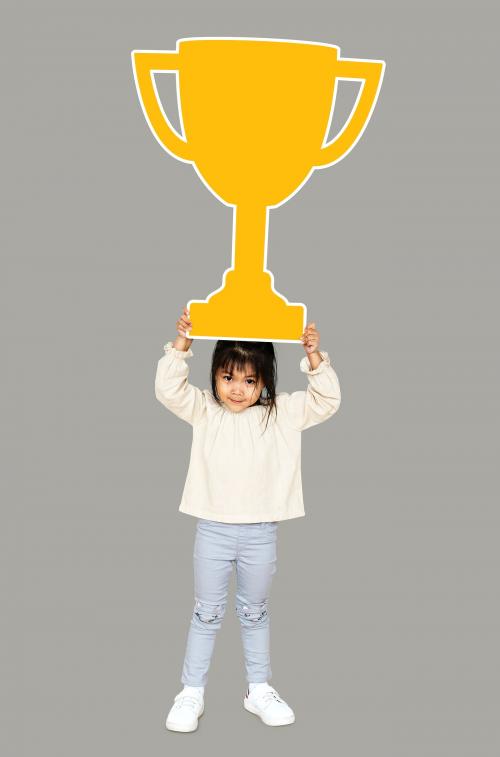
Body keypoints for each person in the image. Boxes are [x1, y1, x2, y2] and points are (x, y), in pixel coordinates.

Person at [155, 306, 341, 731]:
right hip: (213, 531)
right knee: (206, 611)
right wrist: (183, 343)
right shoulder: (204, 410)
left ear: (265, 381)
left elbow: (328, 400)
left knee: (255, 611)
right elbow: (168, 389)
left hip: (260, 533)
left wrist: (314, 356)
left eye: (250, 380)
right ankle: (191, 692)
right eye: (227, 377)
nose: (237, 390)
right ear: (214, 376)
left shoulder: (283, 413)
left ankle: (258, 688)